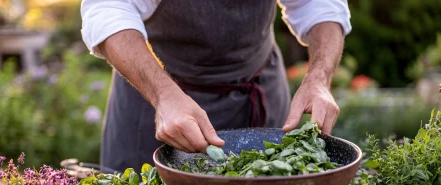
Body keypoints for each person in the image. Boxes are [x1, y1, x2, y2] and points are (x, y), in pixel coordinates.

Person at [81, 0, 352, 172]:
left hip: (260, 88)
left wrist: (319, 78)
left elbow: (318, 5)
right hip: (157, 99)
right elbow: (109, 8)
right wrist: (164, 95)